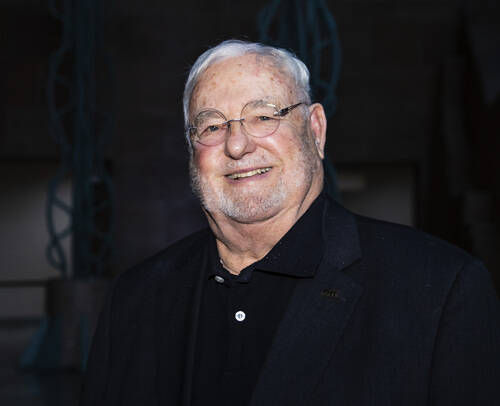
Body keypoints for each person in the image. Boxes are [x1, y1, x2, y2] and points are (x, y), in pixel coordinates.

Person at [80, 40, 500, 406]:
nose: (238, 144)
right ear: (192, 152)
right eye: (211, 125)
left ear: (315, 130)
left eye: (263, 116)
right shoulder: (134, 298)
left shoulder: (440, 290)